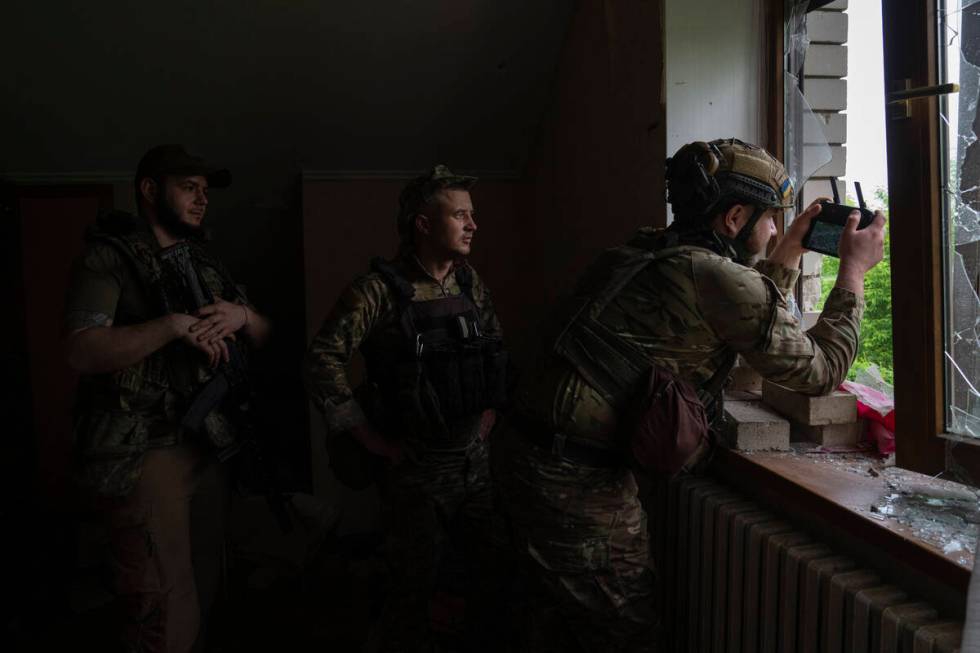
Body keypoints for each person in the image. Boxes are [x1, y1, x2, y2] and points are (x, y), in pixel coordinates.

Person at [496, 138, 887, 652]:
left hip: (517, 456)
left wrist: (789, 247)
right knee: (626, 634)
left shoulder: (645, 250)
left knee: (539, 617)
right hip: (574, 484)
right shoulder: (716, 276)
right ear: (734, 219)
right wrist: (854, 273)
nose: (772, 232)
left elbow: (742, 317)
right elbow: (820, 371)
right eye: (769, 220)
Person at [65, 144, 272, 653]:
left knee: (205, 582)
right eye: (189, 187)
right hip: (147, 449)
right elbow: (81, 350)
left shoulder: (204, 263)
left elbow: (266, 334)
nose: (202, 199)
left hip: (207, 445)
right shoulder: (109, 257)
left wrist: (244, 317)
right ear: (150, 190)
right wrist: (172, 325)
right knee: (162, 604)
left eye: (205, 191)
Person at [304, 165, 510, 651]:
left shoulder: (468, 283)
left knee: (492, 576)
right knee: (410, 594)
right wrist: (366, 437)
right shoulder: (378, 291)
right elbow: (321, 360)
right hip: (415, 471)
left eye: (472, 215)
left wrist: (488, 417)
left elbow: (495, 348)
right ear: (422, 224)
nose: (472, 225)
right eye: (460, 215)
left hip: (474, 464)